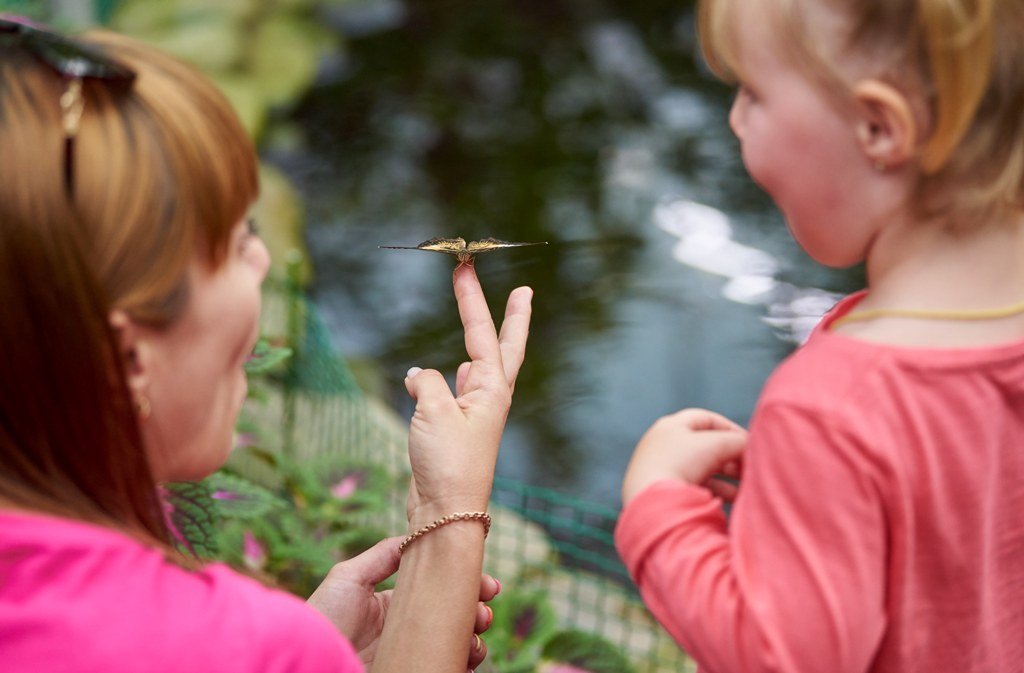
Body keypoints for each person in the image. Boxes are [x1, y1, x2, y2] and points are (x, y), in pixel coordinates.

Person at [0, 15, 533, 673]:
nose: (261, 262)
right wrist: (449, 515)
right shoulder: (236, 645)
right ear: (129, 361)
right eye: (235, 243)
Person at [615, 0, 1024, 671]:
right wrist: (802, 492)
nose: (735, 119)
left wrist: (658, 506)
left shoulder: (832, 411)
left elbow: (780, 658)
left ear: (879, 127)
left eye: (754, 92)